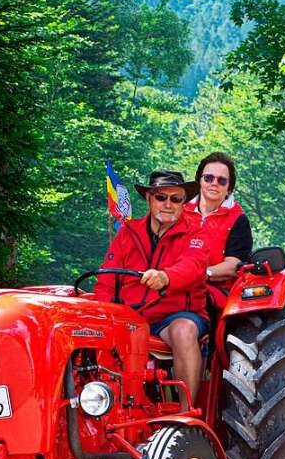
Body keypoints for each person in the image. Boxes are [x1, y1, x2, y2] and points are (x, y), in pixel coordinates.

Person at [94, 170, 210, 402]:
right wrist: (100, 313)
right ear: (149, 199)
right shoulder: (128, 233)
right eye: (161, 197)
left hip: (173, 315)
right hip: (131, 317)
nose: (168, 204)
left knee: (184, 330)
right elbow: (107, 280)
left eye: (176, 199)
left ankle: (185, 415)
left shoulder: (196, 233)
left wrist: (166, 277)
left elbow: (194, 266)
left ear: (183, 203)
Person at [184, 152, 253, 309]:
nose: (214, 183)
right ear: (199, 181)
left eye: (222, 181)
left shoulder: (238, 219)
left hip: (218, 293)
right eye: (208, 178)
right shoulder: (180, 211)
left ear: (229, 188)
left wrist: (201, 274)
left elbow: (233, 265)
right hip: (172, 284)